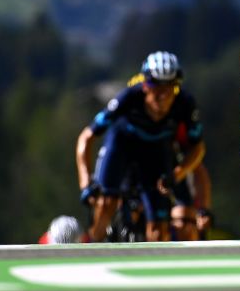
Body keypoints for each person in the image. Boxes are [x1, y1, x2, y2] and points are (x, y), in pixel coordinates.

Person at [76, 51, 204, 242]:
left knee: (159, 230)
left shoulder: (185, 104)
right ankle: (92, 249)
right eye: (157, 89)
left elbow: (197, 148)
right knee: (106, 204)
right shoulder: (127, 98)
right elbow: (86, 137)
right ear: (145, 85)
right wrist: (85, 181)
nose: (163, 97)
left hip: (155, 152)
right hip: (121, 146)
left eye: (170, 88)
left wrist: (177, 174)